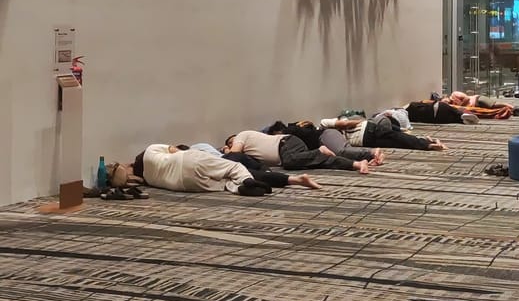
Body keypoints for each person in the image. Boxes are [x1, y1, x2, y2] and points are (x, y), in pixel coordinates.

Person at [110, 144, 320, 197]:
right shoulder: (149, 151)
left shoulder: (147, 180)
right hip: (188, 160)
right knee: (236, 168)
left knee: (227, 183)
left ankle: (240, 188)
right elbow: (176, 150)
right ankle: (246, 182)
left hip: (184, 184)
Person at [224, 130, 372, 174]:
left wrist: (226, 150)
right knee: (323, 162)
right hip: (291, 152)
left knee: (290, 162)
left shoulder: (241, 135)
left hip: (286, 144)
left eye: (231, 142)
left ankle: (319, 150)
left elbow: (234, 155)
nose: (232, 145)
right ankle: (358, 164)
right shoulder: (249, 155)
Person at [266, 120, 384, 166]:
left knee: (341, 151)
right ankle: (372, 157)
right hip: (327, 137)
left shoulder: (290, 131)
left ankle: (372, 151)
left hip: (325, 136)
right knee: (344, 153)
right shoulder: (294, 129)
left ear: (278, 132)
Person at [320, 116, 448, 151]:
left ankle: (427, 143)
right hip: (366, 132)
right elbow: (345, 124)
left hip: (364, 139)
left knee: (396, 141)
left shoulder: (322, 134)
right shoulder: (324, 124)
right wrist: (362, 121)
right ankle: (427, 143)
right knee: (397, 138)